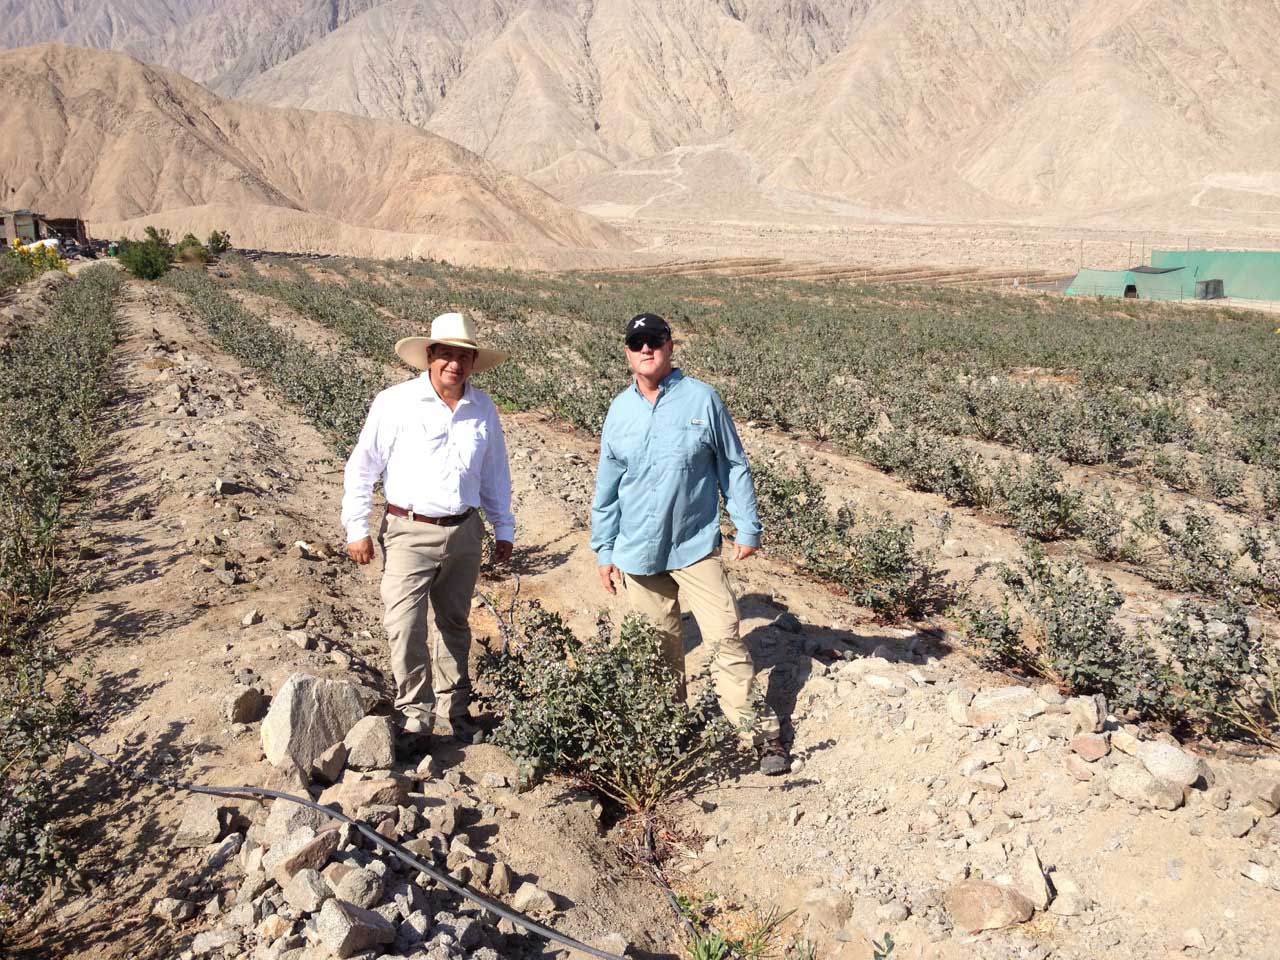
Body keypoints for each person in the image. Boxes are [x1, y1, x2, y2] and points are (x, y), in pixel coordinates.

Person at [590, 313, 790, 776]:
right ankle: (668, 731)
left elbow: (733, 465)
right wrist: (604, 549)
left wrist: (747, 526)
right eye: (637, 342)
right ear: (627, 352)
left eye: (654, 341)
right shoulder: (619, 411)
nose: (646, 349)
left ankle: (759, 734)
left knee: (723, 637)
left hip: (694, 545)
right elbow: (607, 485)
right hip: (638, 550)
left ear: (670, 346)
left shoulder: (703, 399)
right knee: (657, 647)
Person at [342, 312, 515, 747]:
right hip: (408, 528)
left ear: (472, 363)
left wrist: (504, 527)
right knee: (405, 623)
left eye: (463, 356)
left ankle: (455, 710)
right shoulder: (395, 402)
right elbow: (363, 467)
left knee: (455, 623)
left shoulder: (483, 408)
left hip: (465, 531)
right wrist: (356, 526)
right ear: (429, 356)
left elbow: (495, 474)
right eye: (446, 355)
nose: (454, 364)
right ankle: (415, 715)